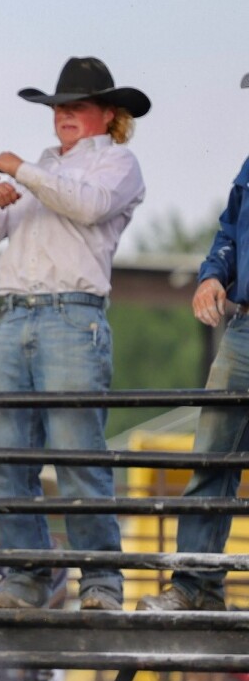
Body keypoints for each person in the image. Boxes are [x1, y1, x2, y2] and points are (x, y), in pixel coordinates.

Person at [0, 57, 149, 611]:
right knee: (3, 454)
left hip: (72, 314)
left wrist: (20, 171)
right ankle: (27, 576)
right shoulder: (42, 170)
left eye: (76, 106)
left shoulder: (118, 163)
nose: (64, 114)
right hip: (19, 314)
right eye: (58, 107)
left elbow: (87, 207)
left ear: (108, 115)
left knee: (76, 453)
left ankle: (100, 580)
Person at [138, 73, 249, 613]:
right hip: (244, 328)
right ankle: (196, 587)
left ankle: (196, 587)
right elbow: (228, 233)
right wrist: (212, 275)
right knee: (211, 457)